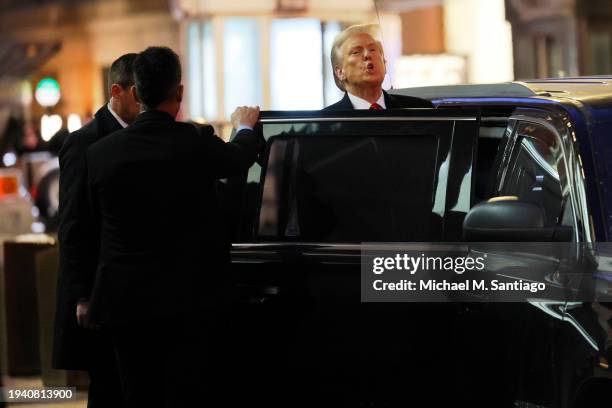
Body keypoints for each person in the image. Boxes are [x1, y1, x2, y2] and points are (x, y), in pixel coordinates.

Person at [85, 46, 263, 407]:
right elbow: (239, 157)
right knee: (186, 392)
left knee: (137, 393)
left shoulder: (101, 153)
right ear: (179, 92)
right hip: (189, 299)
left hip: (125, 302)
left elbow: (93, 222)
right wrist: (244, 127)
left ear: (135, 92)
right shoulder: (193, 143)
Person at [53, 53, 140, 408]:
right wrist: (82, 294)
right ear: (117, 91)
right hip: (99, 288)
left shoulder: (140, 136)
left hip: (129, 287)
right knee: (106, 386)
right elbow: (73, 224)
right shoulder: (83, 142)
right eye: (139, 93)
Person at [324, 24, 432, 110]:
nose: (367, 55)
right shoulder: (324, 122)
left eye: (372, 49)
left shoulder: (421, 110)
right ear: (340, 72)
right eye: (356, 52)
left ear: (384, 63)